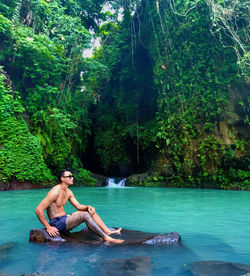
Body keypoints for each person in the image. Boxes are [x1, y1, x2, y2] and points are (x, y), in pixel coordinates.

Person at [35, 169, 124, 244]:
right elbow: (38, 210)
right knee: (84, 215)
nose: (72, 178)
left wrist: (88, 206)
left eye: (72, 176)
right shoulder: (54, 192)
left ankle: (107, 231)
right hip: (57, 223)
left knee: (89, 211)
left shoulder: (68, 192)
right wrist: (48, 227)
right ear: (62, 179)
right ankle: (106, 238)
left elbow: (78, 206)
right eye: (69, 176)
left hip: (64, 219)